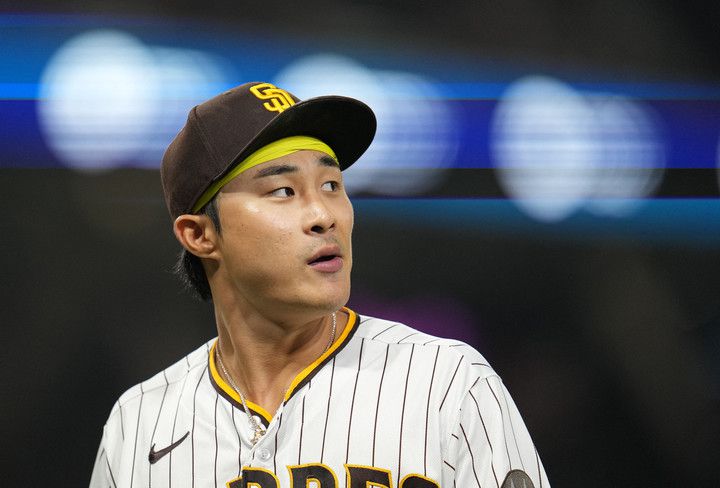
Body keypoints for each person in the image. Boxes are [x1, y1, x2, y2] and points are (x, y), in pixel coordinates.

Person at [90, 81, 550, 488]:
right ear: (199, 235)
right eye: (283, 191)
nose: (324, 215)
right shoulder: (139, 424)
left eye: (331, 185)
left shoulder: (447, 384)